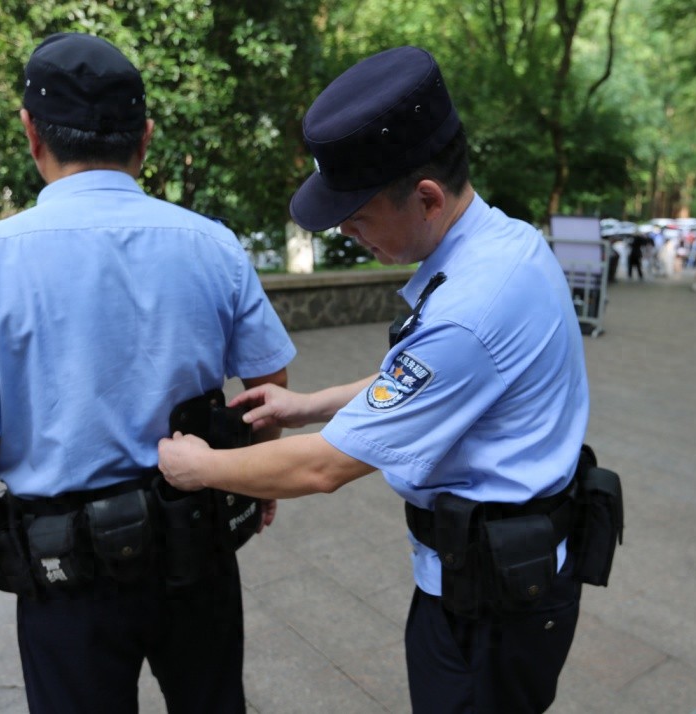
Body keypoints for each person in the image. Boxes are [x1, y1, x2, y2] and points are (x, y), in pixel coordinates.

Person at [159, 46, 590, 714]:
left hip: (493, 606)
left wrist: (203, 467)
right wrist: (306, 403)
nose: (350, 234)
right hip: (507, 575)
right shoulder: (504, 243)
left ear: (425, 196)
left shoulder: (471, 309)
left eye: (357, 217)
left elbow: (323, 469)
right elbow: (418, 383)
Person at [0, 32, 296, 714]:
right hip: (195, 545)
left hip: (66, 572)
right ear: (144, 137)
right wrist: (257, 474)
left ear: (32, 133)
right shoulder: (211, 243)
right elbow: (268, 385)